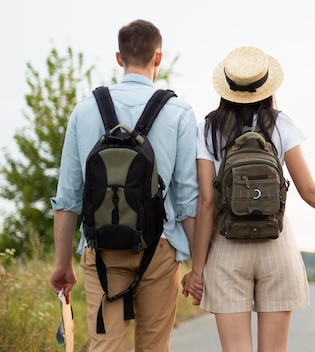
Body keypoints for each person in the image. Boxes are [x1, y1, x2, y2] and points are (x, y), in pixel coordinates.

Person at [182, 46, 315, 352]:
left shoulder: (208, 128)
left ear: (227, 87)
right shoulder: (280, 124)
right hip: (277, 243)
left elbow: (205, 202)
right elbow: (309, 191)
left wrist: (198, 269)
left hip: (227, 247)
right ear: (267, 87)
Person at [50, 19, 198, 352]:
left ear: (119, 58)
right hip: (159, 247)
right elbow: (189, 200)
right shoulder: (179, 112)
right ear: (158, 57)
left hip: (101, 247)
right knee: (154, 345)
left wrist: (63, 265)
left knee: (106, 345)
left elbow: (68, 198)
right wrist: (198, 264)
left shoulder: (85, 110)